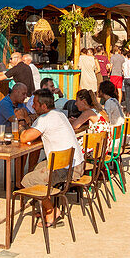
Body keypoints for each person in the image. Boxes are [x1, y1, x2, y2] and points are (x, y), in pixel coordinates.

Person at [20, 89, 86, 226]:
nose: (32, 106)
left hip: (67, 169)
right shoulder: (59, 114)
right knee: (38, 167)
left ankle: (51, 211)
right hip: (77, 164)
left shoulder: (45, 118)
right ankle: (43, 203)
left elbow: (24, 137)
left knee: (27, 180)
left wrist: (21, 124)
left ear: (44, 107)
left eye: (35, 104)